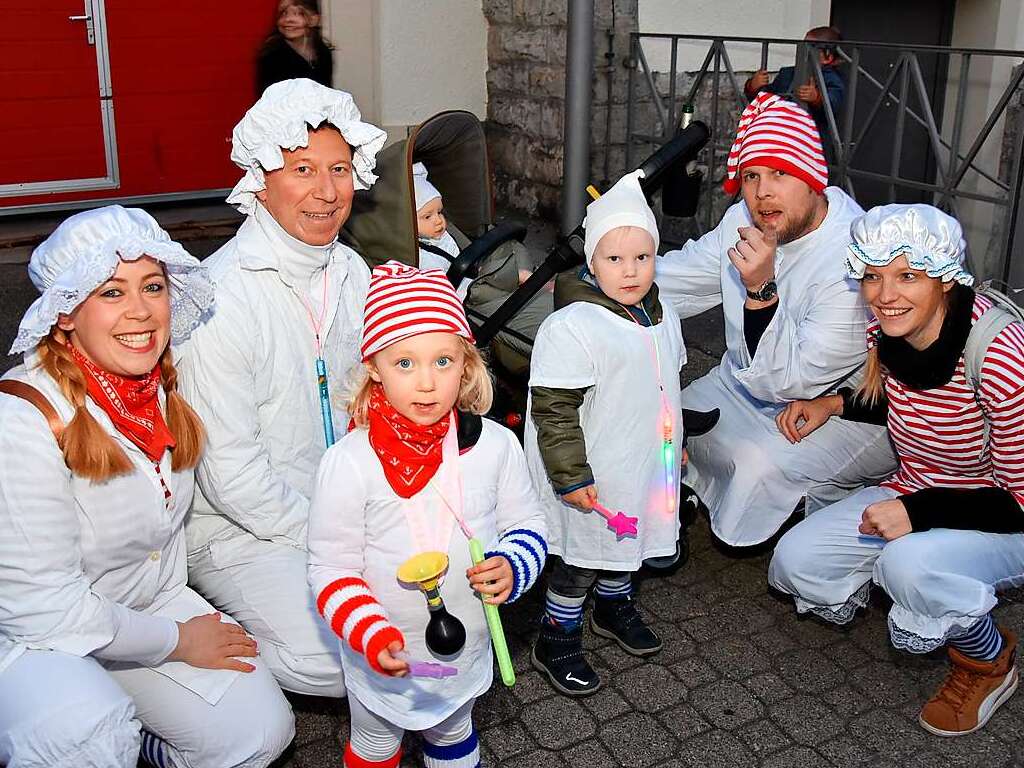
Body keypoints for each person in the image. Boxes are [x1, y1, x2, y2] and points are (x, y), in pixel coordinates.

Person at [0, 206, 294, 768]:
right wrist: (177, 641)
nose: (140, 310)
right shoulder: (21, 420)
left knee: (259, 733)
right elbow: (46, 610)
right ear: (66, 314)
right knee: (82, 737)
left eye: (152, 286)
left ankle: (148, 748)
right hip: (34, 639)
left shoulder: (151, 385)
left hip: (143, 605)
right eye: (111, 292)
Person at [769, 204, 1024, 737]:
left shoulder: (1000, 354)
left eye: (907, 275)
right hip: (916, 489)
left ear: (945, 277)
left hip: (1003, 515)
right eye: (873, 277)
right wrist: (832, 405)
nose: (886, 294)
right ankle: (923, 596)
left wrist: (915, 512)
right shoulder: (889, 326)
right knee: (797, 561)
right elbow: (910, 400)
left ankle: (987, 661)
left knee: (911, 566)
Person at [176, 79, 386, 699]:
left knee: (419, 615)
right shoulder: (220, 299)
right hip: (237, 528)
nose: (327, 192)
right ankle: (198, 650)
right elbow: (232, 478)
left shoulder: (352, 270)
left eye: (340, 169)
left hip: (341, 506)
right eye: (302, 170)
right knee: (335, 660)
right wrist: (339, 537)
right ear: (260, 179)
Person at [307, 262, 547, 768]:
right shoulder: (349, 462)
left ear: (466, 362)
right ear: (373, 366)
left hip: (464, 652)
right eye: (404, 363)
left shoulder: (496, 446)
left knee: (455, 733)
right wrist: (369, 630)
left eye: (442, 361)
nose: (426, 384)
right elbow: (331, 567)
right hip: (383, 655)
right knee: (375, 743)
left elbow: (530, 523)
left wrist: (513, 564)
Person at [656, 92, 896, 548]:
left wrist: (760, 290)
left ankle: (812, 507)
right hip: (744, 382)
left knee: (754, 466)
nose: (763, 191)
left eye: (781, 174)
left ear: (812, 181)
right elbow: (684, 276)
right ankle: (690, 499)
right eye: (752, 176)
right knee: (667, 424)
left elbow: (794, 382)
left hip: (838, 406)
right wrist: (607, 278)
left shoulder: (851, 256)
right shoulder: (745, 220)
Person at [525, 170, 685, 697]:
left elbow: (669, 389)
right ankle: (557, 633)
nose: (631, 270)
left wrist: (676, 446)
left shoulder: (665, 316)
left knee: (631, 543)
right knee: (581, 559)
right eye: (614, 259)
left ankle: (615, 607)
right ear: (591, 263)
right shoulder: (573, 327)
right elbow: (554, 409)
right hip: (594, 470)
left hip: (644, 464)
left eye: (642, 257)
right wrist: (569, 475)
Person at [412, 160, 553, 378]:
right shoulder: (421, 256)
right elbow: (445, 292)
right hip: (470, 297)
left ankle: (522, 275)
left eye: (440, 213)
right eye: (428, 216)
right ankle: (518, 275)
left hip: (477, 278)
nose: (439, 221)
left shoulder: (440, 236)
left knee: (510, 244)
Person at [744, 26, 845, 163]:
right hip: (780, 137)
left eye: (812, 47)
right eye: (803, 45)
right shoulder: (788, 73)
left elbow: (834, 103)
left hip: (811, 144)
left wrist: (817, 98)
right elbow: (767, 99)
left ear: (828, 57)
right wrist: (754, 87)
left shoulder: (831, 79)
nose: (804, 51)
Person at [256, 0, 333, 95]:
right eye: (283, 13)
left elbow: (328, 94)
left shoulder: (323, 53)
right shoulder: (272, 57)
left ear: (315, 19)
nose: (289, 19)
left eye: (299, 13)